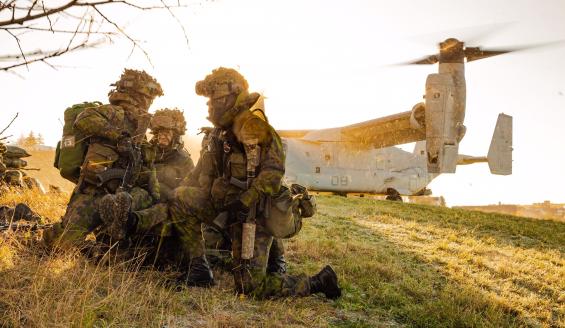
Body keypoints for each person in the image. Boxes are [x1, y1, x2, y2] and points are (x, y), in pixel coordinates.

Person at [169, 67, 341, 298]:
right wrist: (181, 187)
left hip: (252, 212)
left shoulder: (254, 127)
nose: (212, 105)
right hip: (223, 202)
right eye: (210, 100)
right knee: (180, 199)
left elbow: (273, 172)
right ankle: (200, 270)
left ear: (233, 97)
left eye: (217, 99)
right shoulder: (219, 133)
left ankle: (319, 282)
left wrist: (246, 200)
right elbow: (203, 169)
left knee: (250, 287)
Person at [42, 69, 163, 249]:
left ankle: (108, 243)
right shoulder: (115, 112)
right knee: (62, 243)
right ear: (140, 96)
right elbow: (84, 118)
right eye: (149, 98)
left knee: (136, 215)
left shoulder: (140, 128)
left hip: (123, 194)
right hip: (94, 191)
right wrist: (118, 137)